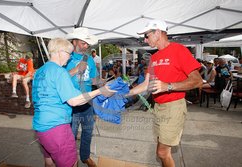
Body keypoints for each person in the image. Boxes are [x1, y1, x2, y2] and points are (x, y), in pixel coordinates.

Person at [126, 19, 202, 167]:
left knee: (162, 153)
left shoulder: (179, 50)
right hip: (158, 107)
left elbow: (197, 81)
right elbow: (146, 85)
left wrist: (168, 86)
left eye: (147, 36)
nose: (145, 39)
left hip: (174, 107)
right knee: (161, 151)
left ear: (158, 32)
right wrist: (124, 94)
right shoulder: (153, 57)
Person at [32, 38, 114, 167]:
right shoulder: (59, 71)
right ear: (59, 52)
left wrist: (100, 83)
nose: (69, 57)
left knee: (49, 161)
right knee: (70, 163)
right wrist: (100, 91)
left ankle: (85, 156)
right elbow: (74, 100)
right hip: (57, 126)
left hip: (41, 126)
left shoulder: (40, 71)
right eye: (68, 53)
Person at [65, 27, 99, 167]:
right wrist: (75, 69)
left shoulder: (89, 59)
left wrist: (105, 82)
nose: (86, 46)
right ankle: (71, 160)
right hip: (71, 105)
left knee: (87, 132)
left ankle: (85, 157)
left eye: (87, 43)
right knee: (70, 136)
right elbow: (58, 79)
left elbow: (93, 79)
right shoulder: (65, 57)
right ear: (74, 41)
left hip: (87, 103)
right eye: (83, 43)